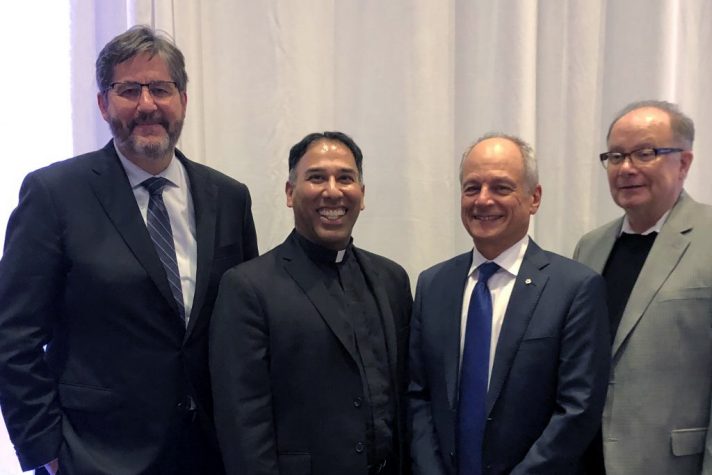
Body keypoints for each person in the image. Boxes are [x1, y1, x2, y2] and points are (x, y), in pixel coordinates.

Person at [0, 25, 258, 475]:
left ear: (183, 99)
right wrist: (46, 450)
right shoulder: (54, 194)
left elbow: (244, 328)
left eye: (160, 88)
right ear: (103, 103)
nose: (147, 104)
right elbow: (13, 335)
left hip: (210, 453)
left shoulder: (229, 198)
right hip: (97, 455)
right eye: (128, 90)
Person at [210, 131, 412, 475]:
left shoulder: (392, 279)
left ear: (361, 195)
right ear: (290, 193)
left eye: (345, 178)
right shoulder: (248, 287)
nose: (332, 191)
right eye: (316, 177)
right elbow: (243, 425)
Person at [408, 133, 609, 474]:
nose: (483, 200)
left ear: (534, 198)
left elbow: (578, 410)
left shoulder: (575, 288)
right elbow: (418, 396)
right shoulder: (433, 284)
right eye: (472, 188)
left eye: (501, 188)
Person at [574, 100, 712, 474]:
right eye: (616, 156)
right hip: (586, 459)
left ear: (684, 163)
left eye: (645, 153)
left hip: (670, 462)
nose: (626, 168)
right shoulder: (590, 246)